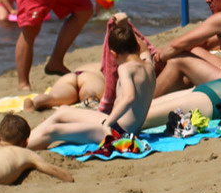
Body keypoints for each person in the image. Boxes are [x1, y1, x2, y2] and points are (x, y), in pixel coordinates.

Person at [28, 16, 155, 149]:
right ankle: (24, 139)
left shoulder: (125, 68)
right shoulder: (148, 64)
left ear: (114, 53)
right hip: (125, 127)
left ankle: (20, 147)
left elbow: (129, 97)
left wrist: (107, 123)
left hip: (117, 132)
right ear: (135, 46)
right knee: (63, 111)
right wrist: (124, 27)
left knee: (52, 131)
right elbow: (145, 48)